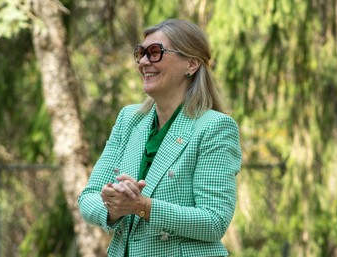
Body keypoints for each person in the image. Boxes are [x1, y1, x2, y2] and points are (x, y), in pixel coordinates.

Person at [78, 19, 242, 257]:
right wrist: (115, 208)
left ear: (192, 64)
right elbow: (88, 197)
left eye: (155, 52)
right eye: (141, 53)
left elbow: (214, 221)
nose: (144, 62)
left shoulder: (215, 127)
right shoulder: (129, 119)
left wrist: (143, 207)